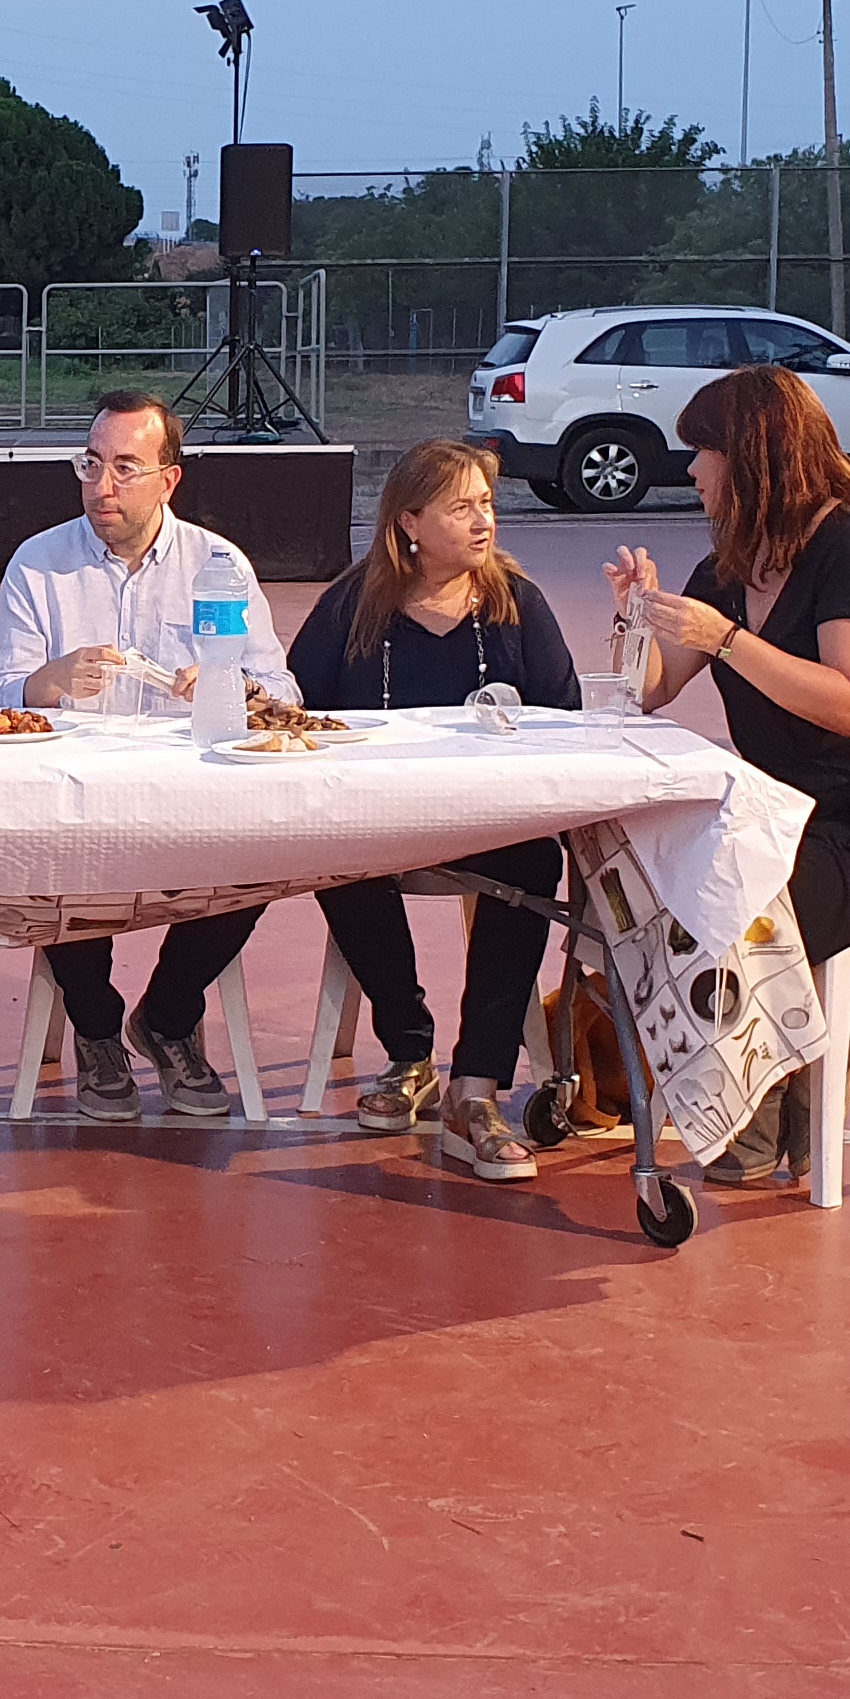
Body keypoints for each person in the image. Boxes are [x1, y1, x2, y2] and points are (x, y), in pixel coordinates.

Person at [607, 363, 850, 1187]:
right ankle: (798, 1071)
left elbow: (849, 703)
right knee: (661, 881)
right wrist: (639, 619)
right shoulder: (728, 568)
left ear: (753, 456)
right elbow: (654, 691)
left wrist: (730, 640)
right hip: (794, 819)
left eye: (703, 452)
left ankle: (772, 1092)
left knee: (732, 894)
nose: (691, 469)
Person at [285, 436, 583, 1183]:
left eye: (486, 504)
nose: (484, 521)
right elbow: (293, 704)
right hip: (381, 818)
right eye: (462, 508)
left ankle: (475, 1086)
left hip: (490, 821)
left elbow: (567, 715)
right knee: (333, 856)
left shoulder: (520, 604)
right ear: (410, 522)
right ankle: (410, 1048)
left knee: (535, 861)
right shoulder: (354, 605)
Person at [0, 389, 280, 1120]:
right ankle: (96, 1027)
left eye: (123, 468)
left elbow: (279, 686)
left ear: (168, 479)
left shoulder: (219, 563)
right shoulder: (39, 564)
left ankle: (169, 1015)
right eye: (90, 465)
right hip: (74, 793)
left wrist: (227, 683)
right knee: (46, 858)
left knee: (273, 848)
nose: (101, 486)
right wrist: (44, 681)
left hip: (192, 793)